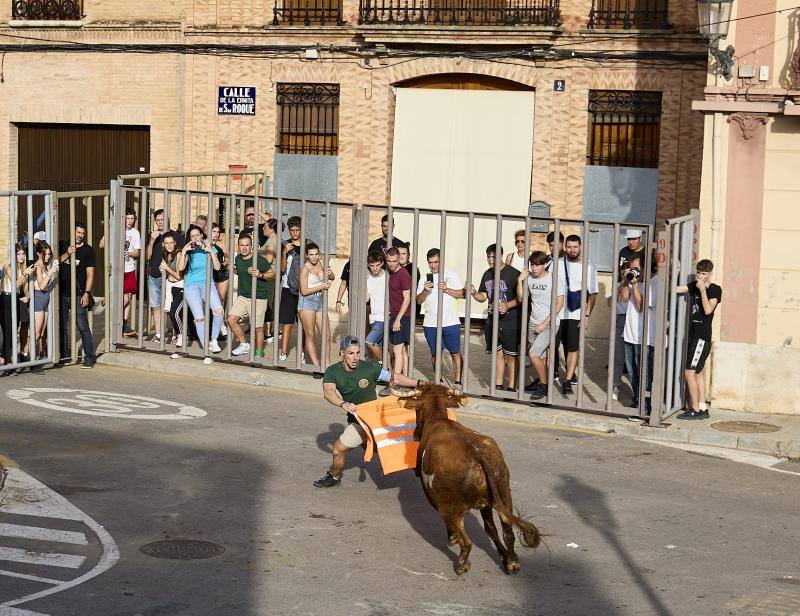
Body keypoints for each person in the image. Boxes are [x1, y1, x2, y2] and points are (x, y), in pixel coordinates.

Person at [313, 335, 426, 488]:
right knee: (369, 448)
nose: (355, 357)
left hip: (374, 420)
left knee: (338, 449)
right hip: (358, 420)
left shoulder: (369, 367)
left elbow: (395, 378)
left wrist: (419, 383)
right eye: (350, 353)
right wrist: (343, 404)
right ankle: (335, 476)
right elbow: (329, 392)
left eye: (358, 353)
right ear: (342, 353)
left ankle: (334, 476)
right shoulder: (333, 371)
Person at [471, 244, 521, 392]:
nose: (491, 260)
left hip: (511, 320)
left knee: (511, 355)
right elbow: (483, 297)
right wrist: (474, 293)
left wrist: (508, 305)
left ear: (500, 256)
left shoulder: (513, 274)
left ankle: (511, 386)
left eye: (494, 256)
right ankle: (498, 385)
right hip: (493, 320)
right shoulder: (487, 274)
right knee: (498, 353)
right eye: (488, 257)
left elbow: (522, 298)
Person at [676, 259, 721, 420]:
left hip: (702, 338)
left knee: (689, 372)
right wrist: (673, 272)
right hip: (693, 336)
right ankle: (702, 406)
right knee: (698, 374)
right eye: (698, 273)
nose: (700, 276)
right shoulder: (693, 285)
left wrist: (702, 290)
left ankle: (694, 409)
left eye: (704, 274)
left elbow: (708, 310)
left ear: (710, 274)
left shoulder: (715, 289)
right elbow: (675, 289)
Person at [517, 251, 565, 401]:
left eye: (537, 265)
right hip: (533, 322)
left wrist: (545, 323)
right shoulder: (530, 278)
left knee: (533, 354)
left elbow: (559, 304)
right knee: (541, 357)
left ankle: (543, 385)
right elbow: (521, 298)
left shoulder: (553, 279)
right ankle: (542, 381)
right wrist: (520, 281)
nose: (534, 268)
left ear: (544, 265)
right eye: (532, 265)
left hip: (549, 324)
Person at [416, 248, 465, 386]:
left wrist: (447, 289)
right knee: (435, 353)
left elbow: (463, 294)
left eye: (436, 262)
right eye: (430, 262)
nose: (433, 265)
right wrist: (425, 291)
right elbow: (419, 301)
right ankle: (439, 381)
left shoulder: (452, 274)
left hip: (450, 322)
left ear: (441, 260)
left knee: (455, 352)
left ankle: (458, 382)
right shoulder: (424, 278)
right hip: (431, 324)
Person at [177, 225, 223, 364]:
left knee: (219, 311)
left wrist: (211, 251)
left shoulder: (209, 248)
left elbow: (217, 267)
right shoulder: (189, 251)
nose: (195, 238)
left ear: (202, 235)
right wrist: (184, 251)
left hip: (207, 284)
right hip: (191, 286)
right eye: (192, 236)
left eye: (197, 235)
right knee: (200, 319)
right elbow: (180, 268)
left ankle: (214, 339)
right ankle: (207, 351)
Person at [559, 234, 598, 395]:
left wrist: (587, 315)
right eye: (569, 246)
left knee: (573, 347)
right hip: (558, 313)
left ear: (580, 247)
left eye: (575, 246)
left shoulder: (588, 266)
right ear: (565, 247)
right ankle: (546, 379)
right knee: (553, 346)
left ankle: (567, 380)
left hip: (576, 314)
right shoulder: (557, 263)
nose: (572, 249)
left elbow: (593, 293)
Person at [611, 229, 646, 400]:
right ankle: (616, 385)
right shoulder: (623, 252)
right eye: (629, 239)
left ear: (641, 238)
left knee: (638, 358)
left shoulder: (646, 254)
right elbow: (622, 297)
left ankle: (640, 394)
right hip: (623, 310)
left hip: (638, 316)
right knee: (618, 353)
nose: (631, 242)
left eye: (634, 239)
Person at [57, 222, 96, 369]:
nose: (80, 235)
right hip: (62, 294)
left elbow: (91, 274)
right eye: (78, 232)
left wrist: (87, 293)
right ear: (72, 232)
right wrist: (68, 253)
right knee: (62, 327)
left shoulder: (88, 250)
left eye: (82, 233)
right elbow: (54, 264)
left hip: (79, 294)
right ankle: (64, 355)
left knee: (83, 327)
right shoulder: (62, 245)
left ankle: (89, 357)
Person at [228, 234, 274, 359]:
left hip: (258, 297)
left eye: (247, 245)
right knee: (231, 319)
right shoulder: (238, 259)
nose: (244, 248)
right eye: (242, 245)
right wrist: (233, 269)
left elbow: (272, 274)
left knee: (257, 328)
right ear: (238, 246)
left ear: (251, 246)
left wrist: (261, 275)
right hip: (243, 297)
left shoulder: (259, 260)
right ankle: (244, 344)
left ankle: (259, 352)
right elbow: (240, 270)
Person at [298, 242, 334, 371]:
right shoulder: (305, 269)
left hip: (320, 301)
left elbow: (332, 277)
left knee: (327, 334)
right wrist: (321, 286)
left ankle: (327, 364)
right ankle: (316, 365)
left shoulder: (322, 263)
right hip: (307, 302)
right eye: (311, 255)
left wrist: (329, 274)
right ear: (307, 255)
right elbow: (304, 291)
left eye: (316, 254)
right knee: (310, 334)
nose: (314, 257)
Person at [0, 244, 33, 372]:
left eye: (23, 254)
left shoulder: (22, 268)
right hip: (5, 299)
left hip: (15, 299)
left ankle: (7, 359)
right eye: (18, 254)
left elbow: (23, 288)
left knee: (14, 331)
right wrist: (25, 273)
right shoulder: (8, 267)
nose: (21, 256)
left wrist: (27, 296)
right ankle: (8, 364)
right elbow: (14, 285)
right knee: (8, 332)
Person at [619, 255, 645, 409]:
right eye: (632, 268)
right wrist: (625, 280)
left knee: (643, 370)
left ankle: (644, 400)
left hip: (644, 335)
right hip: (629, 333)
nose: (634, 271)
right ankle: (636, 398)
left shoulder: (650, 284)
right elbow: (622, 299)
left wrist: (634, 285)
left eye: (637, 268)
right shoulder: (628, 282)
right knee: (632, 371)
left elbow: (641, 306)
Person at [385, 247, 412, 390]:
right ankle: (402, 379)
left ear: (399, 259)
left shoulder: (403, 275)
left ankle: (396, 381)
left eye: (394, 261)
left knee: (397, 350)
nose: (391, 264)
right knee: (398, 350)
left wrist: (398, 319)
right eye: (389, 261)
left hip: (401, 316)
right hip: (394, 314)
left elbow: (407, 299)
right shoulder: (391, 272)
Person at [32, 241, 58, 371]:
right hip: (38, 298)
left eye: (49, 254)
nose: (47, 256)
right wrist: (51, 272)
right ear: (38, 253)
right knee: (36, 333)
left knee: (42, 333)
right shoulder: (37, 266)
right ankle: (32, 361)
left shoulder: (45, 265)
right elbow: (42, 286)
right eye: (45, 254)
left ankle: (39, 357)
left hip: (45, 299)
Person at [279, 216, 302, 361]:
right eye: (292, 230)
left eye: (297, 230)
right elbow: (281, 270)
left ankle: (303, 351)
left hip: (303, 288)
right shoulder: (284, 244)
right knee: (287, 322)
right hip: (287, 287)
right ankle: (283, 352)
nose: (294, 233)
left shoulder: (308, 244)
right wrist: (283, 253)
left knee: (304, 323)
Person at [145, 209, 168, 343]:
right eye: (158, 220)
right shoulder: (151, 235)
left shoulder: (173, 235)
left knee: (169, 307)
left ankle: (175, 334)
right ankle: (159, 335)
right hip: (153, 276)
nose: (160, 222)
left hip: (168, 276)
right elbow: (148, 256)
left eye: (162, 220)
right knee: (156, 306)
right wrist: (152, 241)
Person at [122, 207, 141, 337]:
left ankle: (123, 324)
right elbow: (101, 244)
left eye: (132, 219)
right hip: (118, 269)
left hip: (130, 268)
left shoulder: (135, 232)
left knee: (128, 298)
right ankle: (117, 321)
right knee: (123, 299)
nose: (130, 221)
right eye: (127, 218)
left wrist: (129, 252)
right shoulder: (116, 229)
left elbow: (137, 252)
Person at [364, 251, 386, 362]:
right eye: (372, 266)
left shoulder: (388, 277)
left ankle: (386, 366)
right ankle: (384, 373)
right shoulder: (368, 279)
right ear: (368, 265)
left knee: (369, 341)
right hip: (373, 317)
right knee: (379, 346)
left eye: (377, 265)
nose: (375, 268)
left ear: (382, 263)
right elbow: (367, 298)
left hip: (385, 317)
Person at [261, 217, 280, 343]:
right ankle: (273, 330)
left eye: (265, 227)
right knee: (271, 302)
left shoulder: (272, 241)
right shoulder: (274, 238)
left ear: (272, 230)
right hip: (273, 275)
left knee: (266, 303)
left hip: (268, 275)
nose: (263, 228)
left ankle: (267, 332)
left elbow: (268, 260)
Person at [210, 223, 230, 336]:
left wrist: (224, 263)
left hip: (221, 273)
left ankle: (221, 323)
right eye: (214, 231)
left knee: (221, 299)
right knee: (212, 300)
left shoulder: (222, 245)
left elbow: (227, 258)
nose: (216, 234)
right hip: (210, 274)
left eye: (218, 232)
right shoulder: (206, 244)